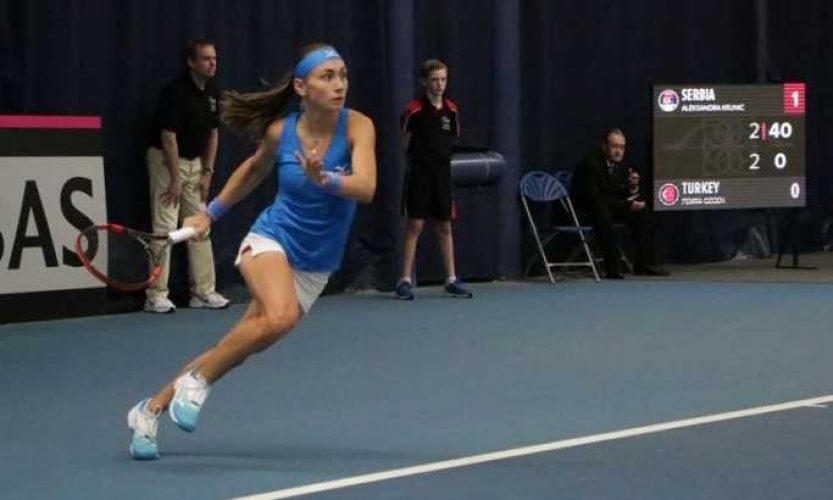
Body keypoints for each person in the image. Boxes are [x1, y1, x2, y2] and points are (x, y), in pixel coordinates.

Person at [126, 44, 377, 460]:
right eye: (328, 76)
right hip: (271, 240)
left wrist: (325, 180)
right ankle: (198, 382)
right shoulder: (281, 132)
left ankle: (148, 411)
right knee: (280, 316)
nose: (340, 85)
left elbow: (366, 188)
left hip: (315, 266)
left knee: (236, 347)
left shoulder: (359, 126)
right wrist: (209, 213)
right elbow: (254, 168)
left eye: (343, 75)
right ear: (302, 86)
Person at [144, 39, 230, 313]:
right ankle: (155, 295)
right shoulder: (174, 92)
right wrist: (175, 178)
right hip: (166, 162)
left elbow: (213, 134)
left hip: (195, 164)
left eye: (214, 58)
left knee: (199, 226)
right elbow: (168, 137)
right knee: (165, 229)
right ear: (191, 62)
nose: (212, 63)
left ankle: (203, 292)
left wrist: (207, 172)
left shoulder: (213, 93)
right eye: (206, 59)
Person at [394, 59, 472, 300]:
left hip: (443, 175)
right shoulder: (413, 111)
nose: (439, 84)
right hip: (419, 174)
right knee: (415, 225)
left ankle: (451, 279)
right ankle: (404, 280)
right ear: (424, 82)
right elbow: (405, 142)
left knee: (445, 226)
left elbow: (451, 138)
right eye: (435, 80)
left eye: (443, 79)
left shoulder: (451, 110)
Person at [571, 128, 669, 279]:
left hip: (610, 207)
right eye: (614, 146)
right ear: (604, 146)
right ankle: (612, 268)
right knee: (602, 213)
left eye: (621, 147)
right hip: (587, 210)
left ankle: (644, 264)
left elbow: (618, 191)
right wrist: (626, 205)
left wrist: (632, 188)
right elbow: (594, 198)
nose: (618, 151)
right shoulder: (590, 164)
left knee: (643, 213)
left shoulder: (619, 165)